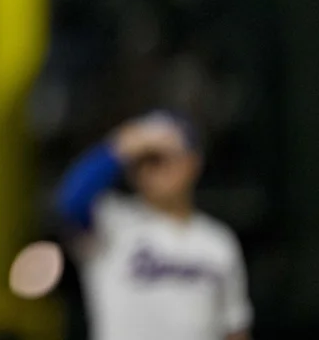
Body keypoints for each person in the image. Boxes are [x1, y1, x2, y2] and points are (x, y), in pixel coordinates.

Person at [55, 112, 253, 340]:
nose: (152, 170)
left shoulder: (217, 241)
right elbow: (70, 202)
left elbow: (234, 328)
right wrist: (121, 147)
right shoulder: (111, 220)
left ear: (192, 162)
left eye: (161, 159)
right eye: (143, 160)